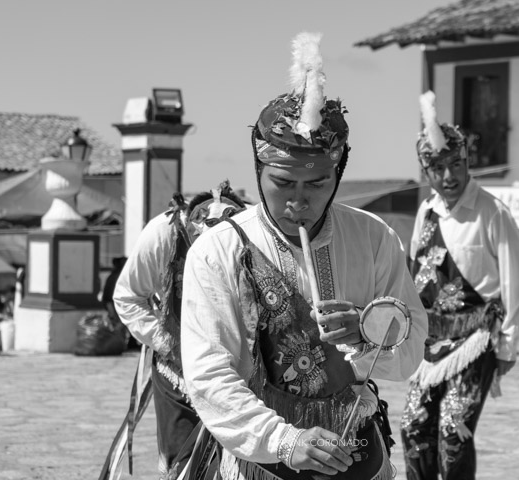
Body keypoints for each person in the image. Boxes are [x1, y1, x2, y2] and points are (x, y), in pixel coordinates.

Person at [180, 32, 427, 480]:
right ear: (258, 171)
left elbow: (411, 348)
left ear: (339, 172)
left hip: (359, 450)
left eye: (315, 184)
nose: (298, 201)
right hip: (267, 461)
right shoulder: (218, 253)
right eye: (282, 183)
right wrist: (285, 441)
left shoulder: (373, 237)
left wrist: (368, 334)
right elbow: (210, 375)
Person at [400, 91, 519, 480]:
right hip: (429, 341)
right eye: (437, 168)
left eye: (456, 165)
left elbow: (517, 280)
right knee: (413, 428)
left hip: (477, 338)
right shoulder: (425, 212)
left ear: (467, 162)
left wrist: (508, 342)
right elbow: (414, 272)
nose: (448, 176)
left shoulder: (492, 212)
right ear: (426, 172)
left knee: (452, 430)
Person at [107, 182, 248, 480]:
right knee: (183, 466)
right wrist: (166, 342)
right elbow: (127, 296)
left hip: (240, 370)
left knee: (239, 461)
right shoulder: (163, 233)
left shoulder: (254, 232)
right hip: (178, 372)